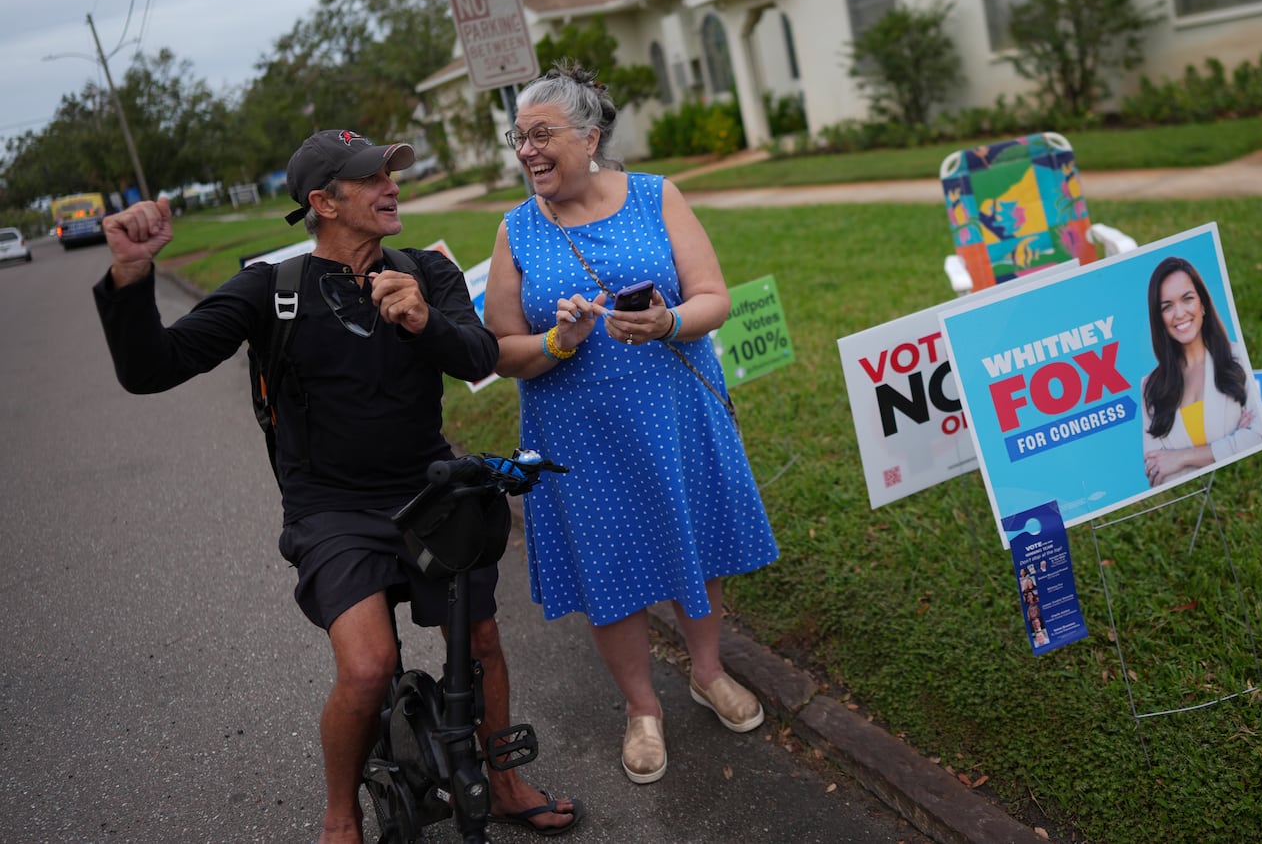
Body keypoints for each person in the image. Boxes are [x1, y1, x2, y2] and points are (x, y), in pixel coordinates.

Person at [92, 130, 581, 843]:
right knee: (368, 667)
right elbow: (153, 366)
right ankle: (340, 815)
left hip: (429, 488)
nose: (392, 185)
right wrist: (132, 275)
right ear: (323, 201)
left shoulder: (423, 270)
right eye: (372, 177)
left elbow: (479, 354)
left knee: (479, 636)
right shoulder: (271, 287)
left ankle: (502, 781)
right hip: (332, 509)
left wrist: (422, 320)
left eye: (392, 172)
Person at [483, 63, 780, 786]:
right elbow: (500, 348)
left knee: (693, 537)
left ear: (590, 137)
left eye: (541, 134)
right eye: (519, 138)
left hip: (673, 414)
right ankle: (641, 706)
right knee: (608, 559)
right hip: (575, 430)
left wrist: (668, 320)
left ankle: (707, 672)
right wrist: (559, 341)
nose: (527, 151)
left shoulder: (656, 195)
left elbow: (714, 296)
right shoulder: (516, 227)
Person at [1139, 256, 1262, 488]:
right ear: (1158, 318)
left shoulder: (1237, 359)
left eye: (1187, 299)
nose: (1179, 313)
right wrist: (1232, 441)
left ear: (1203, 304)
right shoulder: (1151, 386)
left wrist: (1181, 457)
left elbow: (1259, 436)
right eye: (1167, 307)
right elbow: (1158, 473)